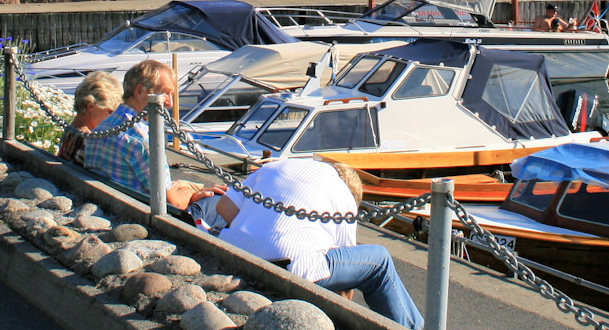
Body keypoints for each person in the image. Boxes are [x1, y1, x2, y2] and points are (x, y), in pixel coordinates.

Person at [214, 158, 424, 330]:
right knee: (380, 262)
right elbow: (348, 276)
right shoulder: (343, 194)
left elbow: (223, 207)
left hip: (234, 251)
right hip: (290, 265)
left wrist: (257, 230)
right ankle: (412, 328)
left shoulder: (274, 166)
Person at [83, 60, 222, 210]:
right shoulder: (140, 140)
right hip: (140, 211)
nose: (170, 103)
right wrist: (193, 196)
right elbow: (172, 203)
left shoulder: (105, 125)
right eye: (165, 94)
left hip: (109, 200)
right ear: (140, 91)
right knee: (220, 200)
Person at [57, 70, 123, 167]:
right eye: (109, 111)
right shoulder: (88, 141)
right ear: (91, 106)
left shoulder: (71, 131)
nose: (112, 117)